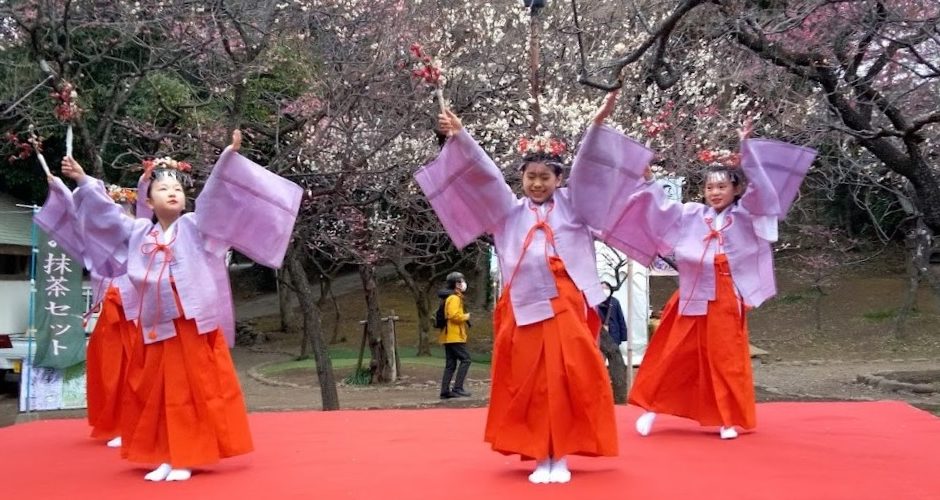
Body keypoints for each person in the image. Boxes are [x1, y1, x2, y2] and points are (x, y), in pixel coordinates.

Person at [414, 91, 653, 484]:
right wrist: (458, 137)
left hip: (565, 303)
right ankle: (539, 451)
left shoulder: (576, 209)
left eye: (546, 177)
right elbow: (482, 173)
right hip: (523, 306)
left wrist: (597, 125)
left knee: (570, 374)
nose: (537, 183)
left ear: (560, 179)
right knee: (528, 380)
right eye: (531, 176)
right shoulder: (507, 211)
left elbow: (593, 172)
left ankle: (560, 452)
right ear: (522, 179)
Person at [58, 130, 302, 481]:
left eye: (177, 189)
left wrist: (227, 159)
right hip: (156, 325)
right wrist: (83, 180)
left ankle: (188, 454)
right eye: (162, 189)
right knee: (155, 392)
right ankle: (166, 454)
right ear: (149, 199)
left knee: (188, 392)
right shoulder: (142, 232)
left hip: (189, 324)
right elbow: (109, 218)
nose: (172, 192)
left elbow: (216, 198)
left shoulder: (194, 227)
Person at [608, 121, 817, 439]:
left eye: (721, 186)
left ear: (735, 188)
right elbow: (661, 210)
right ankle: (652, 409)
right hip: (691, 293)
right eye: (709, 187)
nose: (715, 193)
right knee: (673, 352)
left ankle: (727, 416)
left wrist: (748, 152)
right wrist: (649, 180)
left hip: (725, 294)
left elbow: (763, 193)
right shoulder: (692, 214)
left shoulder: (746, 215)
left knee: (725, 357)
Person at [438, 271, 472, 399]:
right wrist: (466, 316)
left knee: (451, 364)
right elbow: (453, 316)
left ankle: (445, 391)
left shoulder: (449, 297)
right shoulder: (454, 298)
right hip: (454, 335)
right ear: (457, 284)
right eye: (461, 281)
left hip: (448, 335)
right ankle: (458, 388)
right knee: (466, 359)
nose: (463, 284)